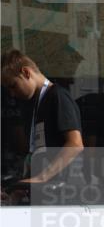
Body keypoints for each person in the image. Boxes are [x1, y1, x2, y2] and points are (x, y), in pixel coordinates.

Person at [1, 49, 84, 189]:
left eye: (13, 86)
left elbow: (75, 144)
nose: (12, 94)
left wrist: (42, 177)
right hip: (45, 193)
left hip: (64, 193)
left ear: (26, 73)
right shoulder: (33, 104)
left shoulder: (58, 96)